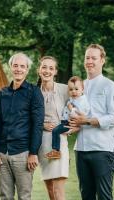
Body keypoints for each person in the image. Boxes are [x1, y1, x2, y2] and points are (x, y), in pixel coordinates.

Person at [69, 44, 114, 200]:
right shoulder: (80, 87)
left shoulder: (110, 86)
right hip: (81, 149)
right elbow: (74, 114)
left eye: (94, 58)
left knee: (104, 196)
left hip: (103, 150)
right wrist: (71, 126)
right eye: (87, 57)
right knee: (86, 195)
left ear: (102, 60)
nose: (90, 61)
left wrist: (87, 121)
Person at [0, 52, 44, 200]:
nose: (18, 69)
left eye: (22, 66)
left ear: (27, 70)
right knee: (5, 196)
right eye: (15, 65)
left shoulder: (34, 92)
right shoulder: (3, 93)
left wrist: (33, 153)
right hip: (2, 153)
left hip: (23, 153)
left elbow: (37, 124)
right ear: (11, 68)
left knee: (24, 196)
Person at [37, 56, 69, 200]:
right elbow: (28, 118)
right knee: (50, 191)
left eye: (51, 68)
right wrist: (42, 124)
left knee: (58, 191)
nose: (47, 71)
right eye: (44, 67)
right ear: (39, 70)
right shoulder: (34, 92)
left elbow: (80, 107)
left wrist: (72, 128)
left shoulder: (65, 89)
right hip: (42, 144)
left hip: (59, 143)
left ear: (55, 71)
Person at [45, 76, 90, 159]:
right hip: (65, 121)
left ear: (82, 89)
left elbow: (80, 115)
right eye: (71, 89)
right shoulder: (73, 99)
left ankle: (56, 151)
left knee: (55, 131)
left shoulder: (82, 101)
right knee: (56, 130)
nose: (74, 92)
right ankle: (62, 154)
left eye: (76, 89)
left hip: (70, 123)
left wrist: (71, 109)